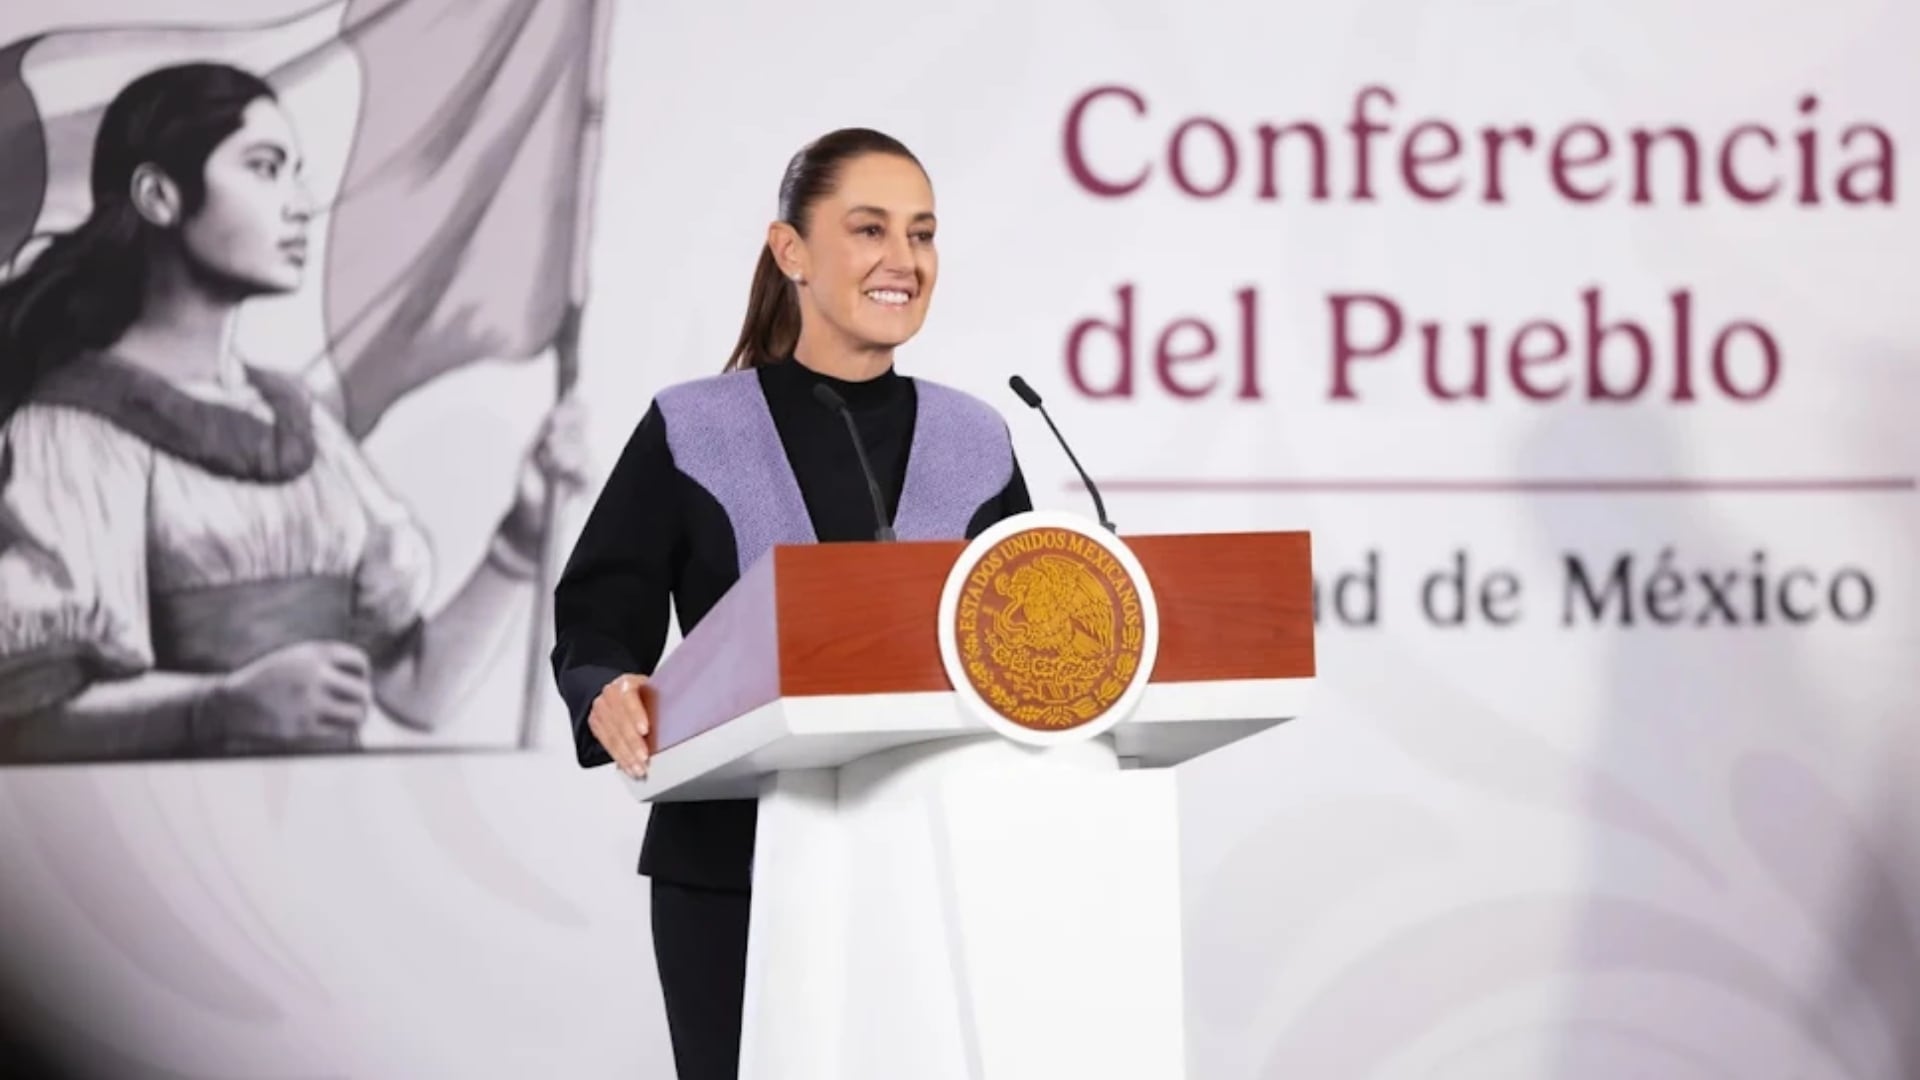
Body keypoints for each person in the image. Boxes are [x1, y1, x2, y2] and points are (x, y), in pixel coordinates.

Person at [550, 128, 1033, 1078]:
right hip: (734, 873)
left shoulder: (979, 442)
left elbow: (1026, 651)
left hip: (929, 868)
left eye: (923, 234)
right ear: (791, 252)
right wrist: (609, 687)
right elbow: (601, 619)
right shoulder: (695, 428)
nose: (905, 260)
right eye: (869, 230)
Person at [0, 62, 584, 759]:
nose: (301, 202)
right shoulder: (70, 433)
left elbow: (414, 692)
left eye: (296, 171)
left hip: (320, 839)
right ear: (159, 195)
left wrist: (520, 536)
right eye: (265, 167)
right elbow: (25, 722)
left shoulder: (300, 422)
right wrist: (219, 708)